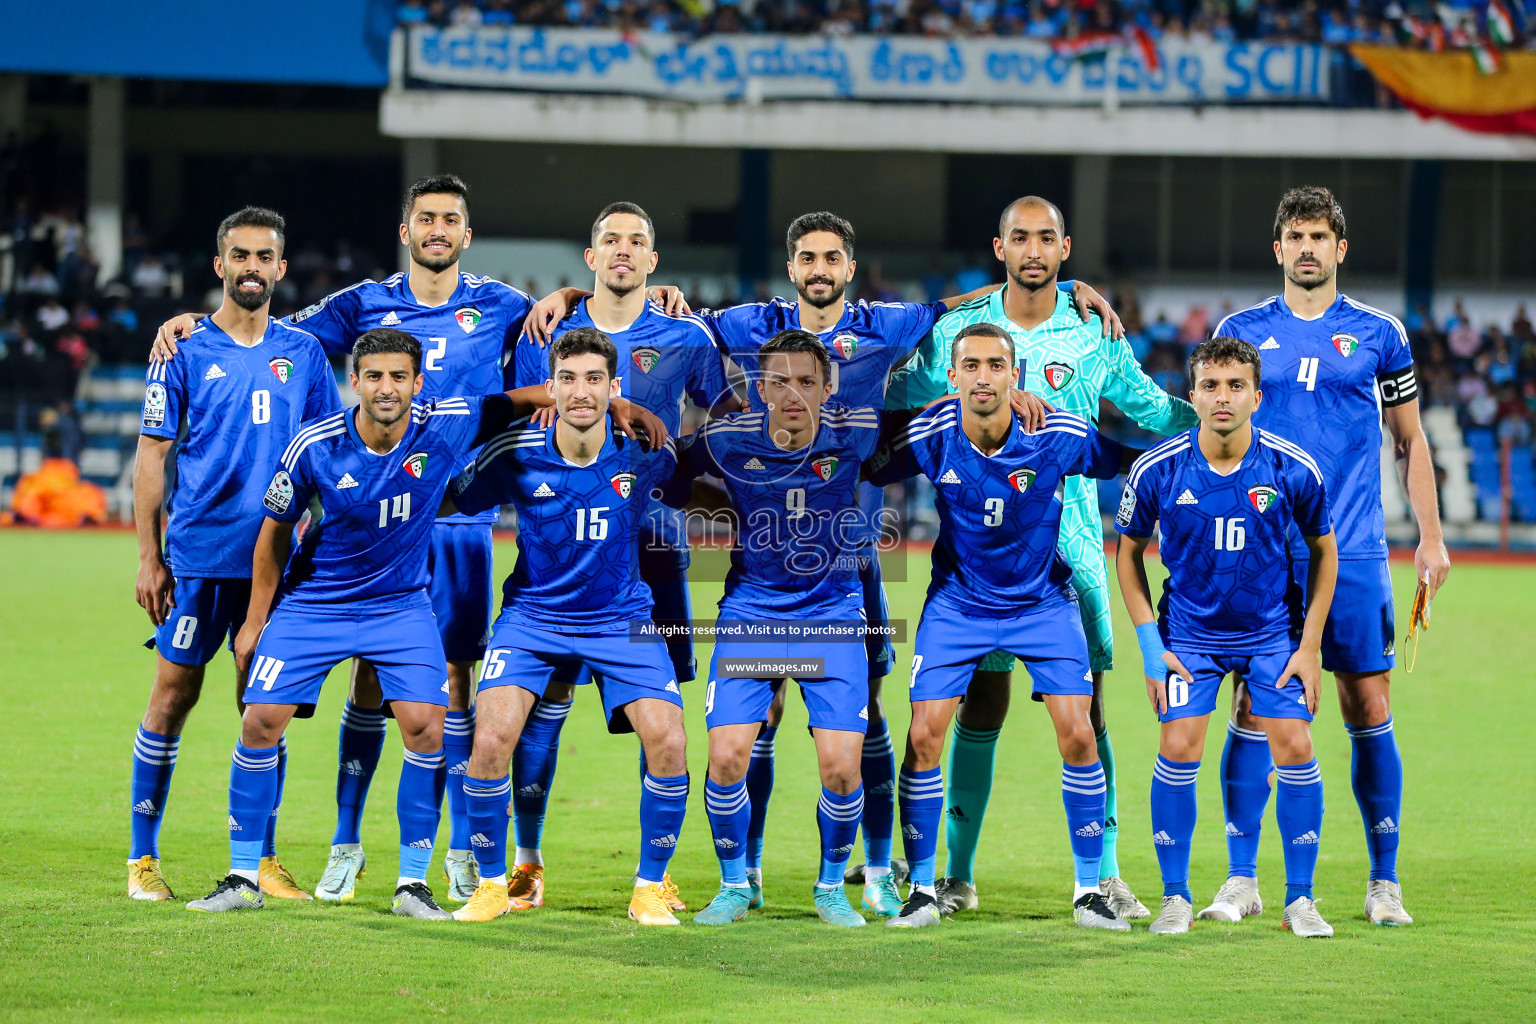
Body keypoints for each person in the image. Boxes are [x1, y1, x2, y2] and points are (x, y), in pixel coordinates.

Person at [522, 210, 1119, 916]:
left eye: (831, 256)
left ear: (848, 264)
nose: (819, 268)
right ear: (792, 265)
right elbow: (662, 323)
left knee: (862, 722)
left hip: (852, 559)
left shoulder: (885, 325)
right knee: (755, 725)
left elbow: (958, 313)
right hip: (763, 568)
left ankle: (871, 865)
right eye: (807, 256)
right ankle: (745, 878)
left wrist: (1053, 286)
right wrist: (571, 300)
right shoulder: (748, 326)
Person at [185, 328, 664, 916]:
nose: (387, 389)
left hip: (400, 604)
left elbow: (509, 402)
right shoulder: (312, 444)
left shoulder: (446, 421)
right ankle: (241, 876)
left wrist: (611, 401)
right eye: (375, 377)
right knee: (260, 720)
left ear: (418, 384)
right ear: (353, 382)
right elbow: (274, 532)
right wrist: (257, 620)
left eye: (399, 377)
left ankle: (412, 883)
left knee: (427, 727)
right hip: (316, 602)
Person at [153, 175, 536, 903]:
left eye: (450, 218)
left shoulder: (507, 306)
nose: (437, 229)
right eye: (425, 217)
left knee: (450, 690)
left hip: (460, 526)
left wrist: (568, 301)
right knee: (366, 684)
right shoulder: (362, 303)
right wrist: (195, 323)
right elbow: (270, 327)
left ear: (466, 233)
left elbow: (531, 381)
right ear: (406, 229)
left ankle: (454, 850)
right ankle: (347, 842)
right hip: (361, 535)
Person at [894, 196, 1195, 921]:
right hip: (978, 553)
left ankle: (1106, 873)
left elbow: (1153, 412)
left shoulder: (1092, 331)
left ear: (1066, 249)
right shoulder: (961, 332)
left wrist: (1224, 423)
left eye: (1047, 239)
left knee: (1085, 713)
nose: (1034, 250)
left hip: (1075, 551)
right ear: (999, 247)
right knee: (979, 705)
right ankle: (956, 875)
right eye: (1020, 238)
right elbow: (897, 393)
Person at [1206, 186, 1448, 928]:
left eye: (1320, 236)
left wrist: (1431, 536)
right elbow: (1218, 440)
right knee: (1253, 710)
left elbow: (1409, 442)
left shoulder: (1381, 334)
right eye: (1295, 236)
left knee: (1366, 706)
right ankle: (1242, 881)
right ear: (1277, 249)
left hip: (1357, 550)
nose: (1307, 248)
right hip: (1264, 557)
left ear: (1340, 250)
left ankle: (1384, 883)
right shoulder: (1241, 331)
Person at [501, 203, 738, 914]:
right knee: (542, 704)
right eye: (612, 241)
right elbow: (515, 413)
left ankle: (652, 875)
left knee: (657, 713)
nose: (624, 251)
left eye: (638, 241)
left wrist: (684, 457)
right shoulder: (548, 330)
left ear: (654, 261)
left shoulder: (682, 333)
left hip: (654, 545)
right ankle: (527, 860)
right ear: (591, 255)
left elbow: (725, 413)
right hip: (557, 544)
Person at [868, 324, 1140, 931]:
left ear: (1014, 376)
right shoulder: (933, 432)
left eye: (996, 365)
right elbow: (867, 459)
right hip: (957, 605)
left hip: (1042, 604)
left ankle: (1090, 890)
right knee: (924, 736)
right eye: (972, 365)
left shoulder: (1057, 433)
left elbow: (1130, 461)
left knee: (1078, 732)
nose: (984, 376)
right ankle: (922, 888)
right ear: (954, 375)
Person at [442, 328, 691, 927]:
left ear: (614, 388)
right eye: (570, 379)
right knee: (491, 740)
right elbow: (445, 499)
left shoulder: (646, 449)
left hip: (622, 618)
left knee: (671, 741)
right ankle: (494, 884)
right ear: (550, 387)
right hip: (534, 617)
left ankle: (649, 889)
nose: (582, 392)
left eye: (595, 379)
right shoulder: (515, 452)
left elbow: (700, 488)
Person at [128, 207, 339, 903]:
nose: (252, 267)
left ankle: (264, 858)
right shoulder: (182, 351)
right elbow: (152, 458)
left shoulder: (305, 354)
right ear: (220, 265)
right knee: (173, 694)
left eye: (265, 256)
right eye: (239, 255)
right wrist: (148, 557)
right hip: (196, 559)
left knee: (263, 706)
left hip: (276, 564)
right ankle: (143, 859)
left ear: (281, 269)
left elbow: (324, 453)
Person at [1115, 336, 1339, 938]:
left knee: (1293, 743)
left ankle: (1299, 899)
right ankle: (1175, 897)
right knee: (1180, 743)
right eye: (1210, 386)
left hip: (1273, 633)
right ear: (1191, 396)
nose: (1223, 397)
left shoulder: (1293, 467)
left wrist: (1310, 645)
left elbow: (1324, 552)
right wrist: (1148, 648)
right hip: (1189, 635)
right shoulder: (1157, 470)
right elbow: (1128, 555)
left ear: (1257, 397)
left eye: (1236, 386)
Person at [669, 330, 884, 927]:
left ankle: (829, 887)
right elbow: (666, 469)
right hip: (753, 613)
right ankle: (736, 885)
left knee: (842, 766)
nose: (794, 393)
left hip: (832, 613)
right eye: (780, 382)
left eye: (808, 382)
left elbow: (944, 427)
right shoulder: (725, 439)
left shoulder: (859, 430)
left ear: (828, 387)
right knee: (727, 755)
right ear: (759, 389)